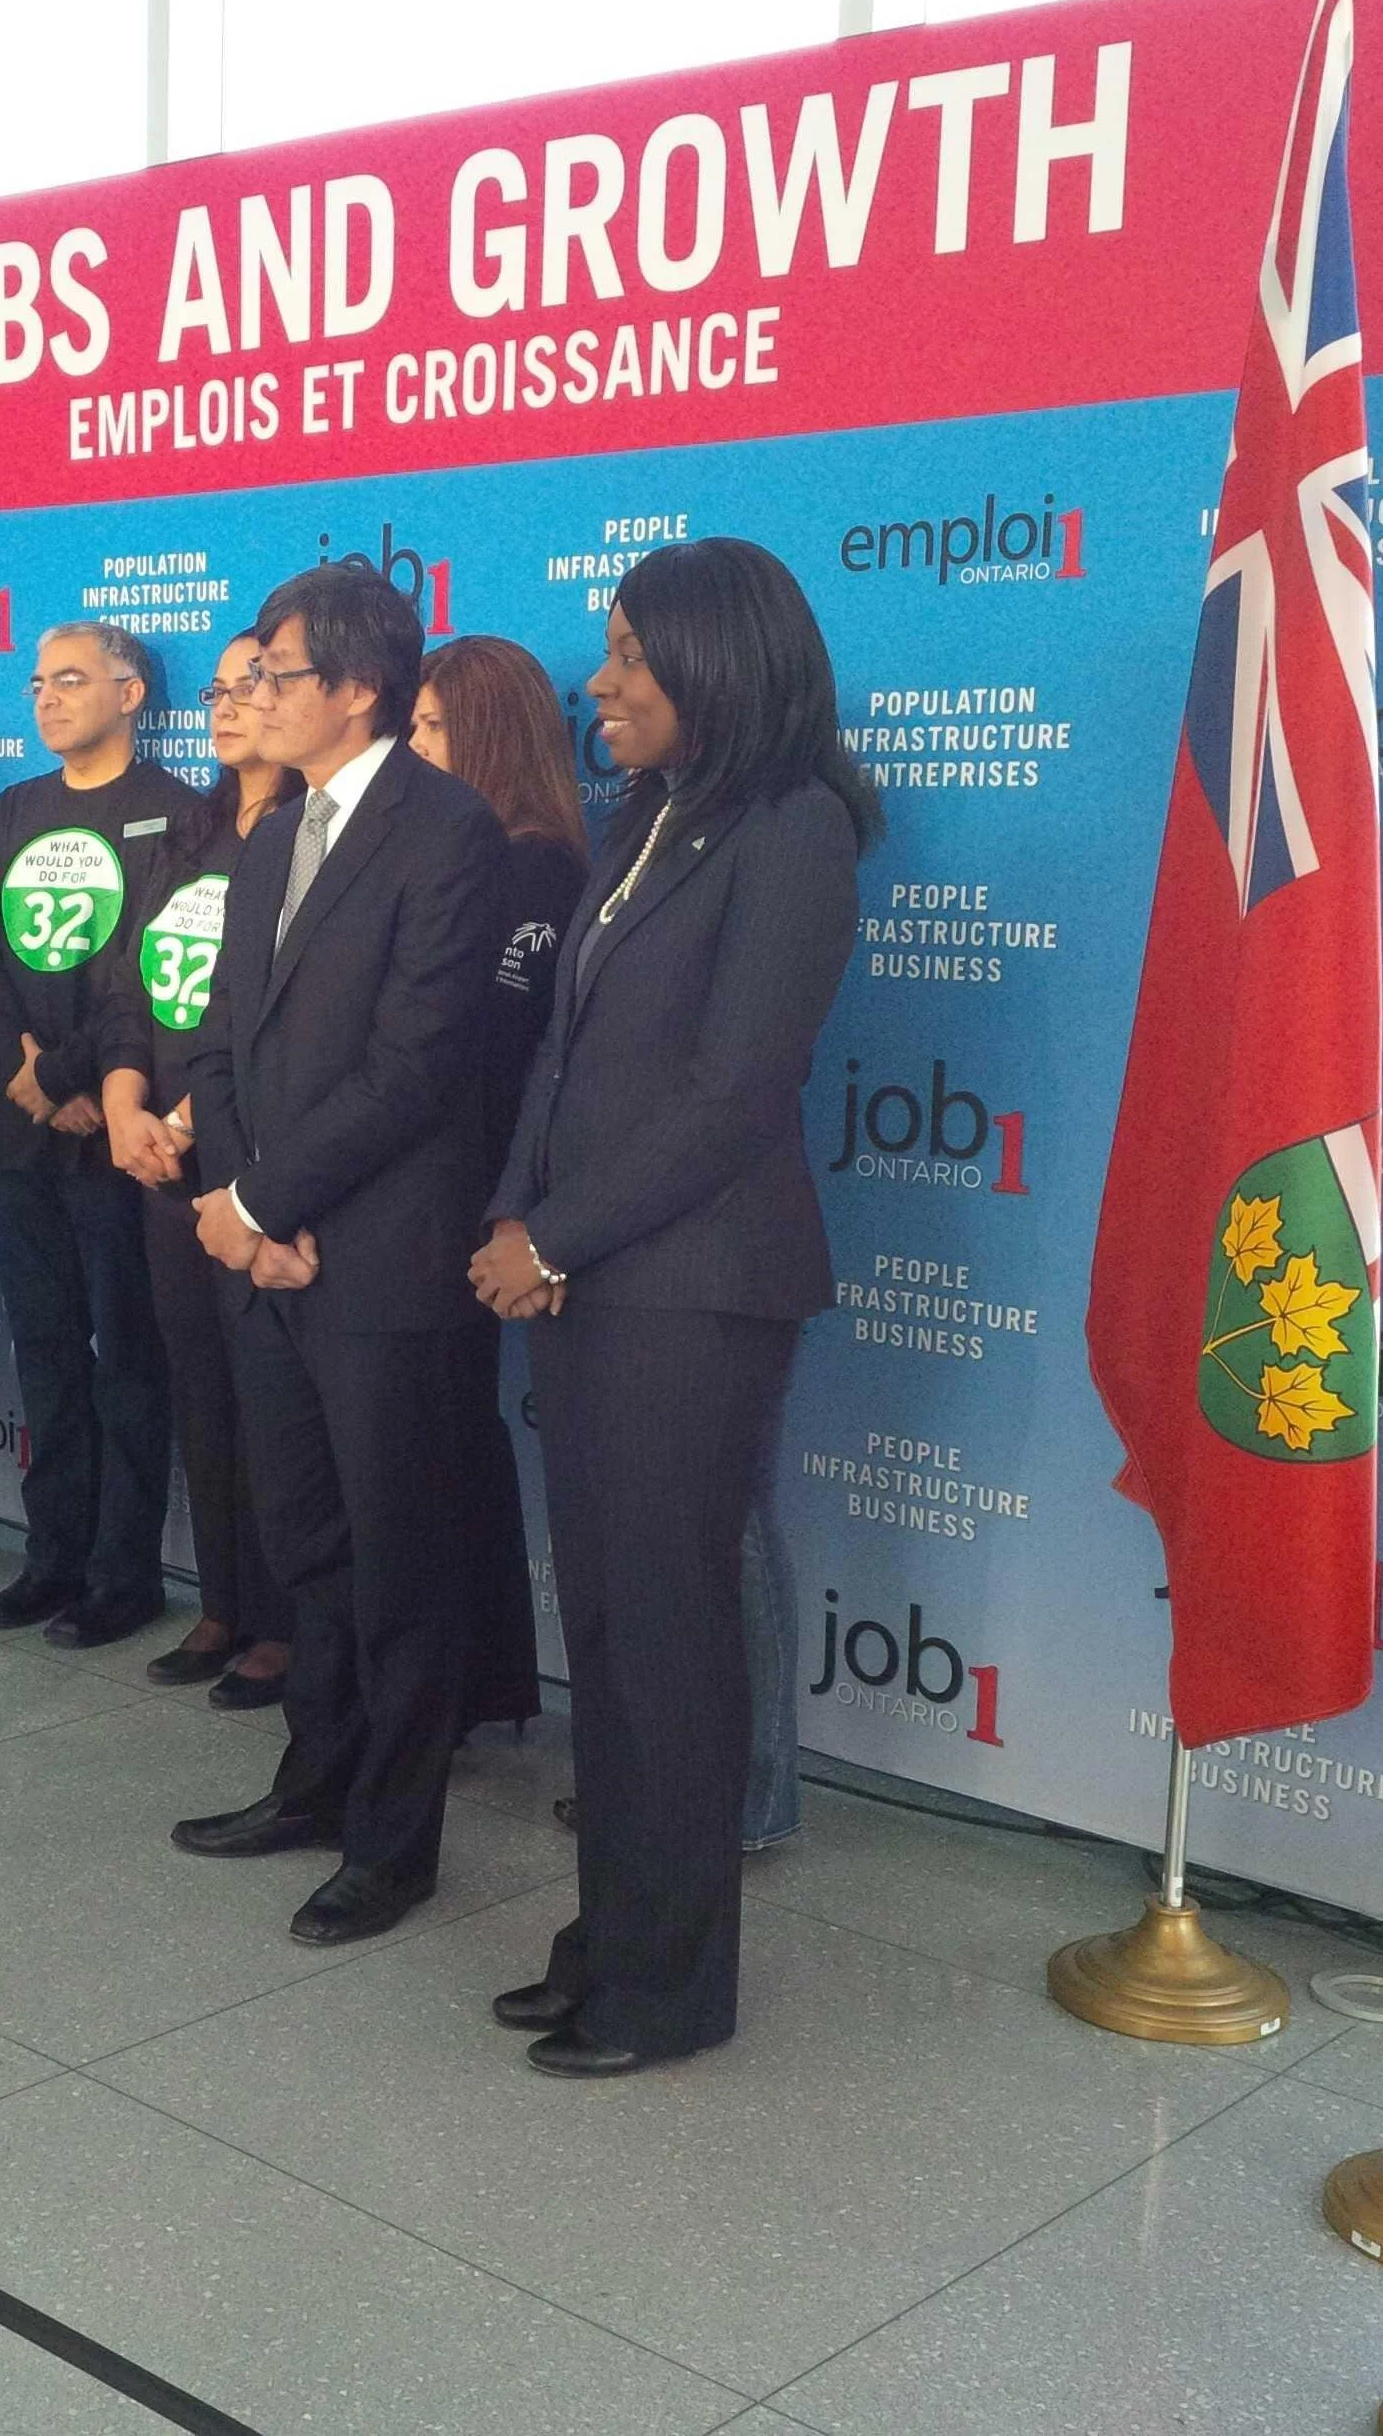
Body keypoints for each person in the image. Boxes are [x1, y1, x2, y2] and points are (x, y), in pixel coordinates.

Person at [471, 537, 874, 2076]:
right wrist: (519, 1208)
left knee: (669, 1645)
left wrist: (555, 1236)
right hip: (595, 1279)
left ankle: (670, 1991)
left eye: (631, 656)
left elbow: (729, 1095)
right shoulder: (655, 816)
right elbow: (568, 1056)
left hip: (694, 1296)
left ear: (716, 663)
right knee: (615, 1640)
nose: (602, 682)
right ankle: (607, 1942)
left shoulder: (795, 830)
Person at [172, 562, 508, 1948]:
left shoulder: (451, 832)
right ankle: (313, 1782)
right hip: (274, 1256)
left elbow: (417, 1066)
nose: (252, 696)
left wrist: (261, 1206)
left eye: (276, 674)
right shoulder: (267, 836)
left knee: (399, 1562)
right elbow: (221, 1037)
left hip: (384, 1266)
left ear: (357, 687)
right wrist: (237, 1202)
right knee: (303, 1544)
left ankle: (394, 1840)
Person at [0, 621, 185, 1650]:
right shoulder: (15, 808)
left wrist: (79, 1080)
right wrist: (33, 1081)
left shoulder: (180, 816)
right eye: (37, 682)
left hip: (120, 1139)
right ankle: (52, 1559)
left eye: (72, 680)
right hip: (23, 1136)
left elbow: (153, 971)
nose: (46, 697)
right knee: (45, 1354)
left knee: (127, 1358)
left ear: (131, 693)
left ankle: (124, 1573)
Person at [100, 631, 304, 1709]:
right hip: (160, 1155)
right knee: (201, 1387)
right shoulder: (185, 831)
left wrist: (184, 1114)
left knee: (270, 1394)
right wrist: (128, 1101)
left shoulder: (315, 834)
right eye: (218, 692)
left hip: (252, 1158)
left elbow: (271, 1015)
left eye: (251, 686)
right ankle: (223, 1600)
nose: (228, 707)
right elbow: (133, 989)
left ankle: (284, 1618)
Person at [408, 634, 591, 1738]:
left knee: (447, 1438)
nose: (414, 748)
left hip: (471, 1191)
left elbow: (487, 1044)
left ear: (486, 734)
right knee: (444, 1436)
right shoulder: (463, 858)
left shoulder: (536, 869)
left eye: (433, 728)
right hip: (434, 1184)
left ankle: (475, 1682)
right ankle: (472, 1682)